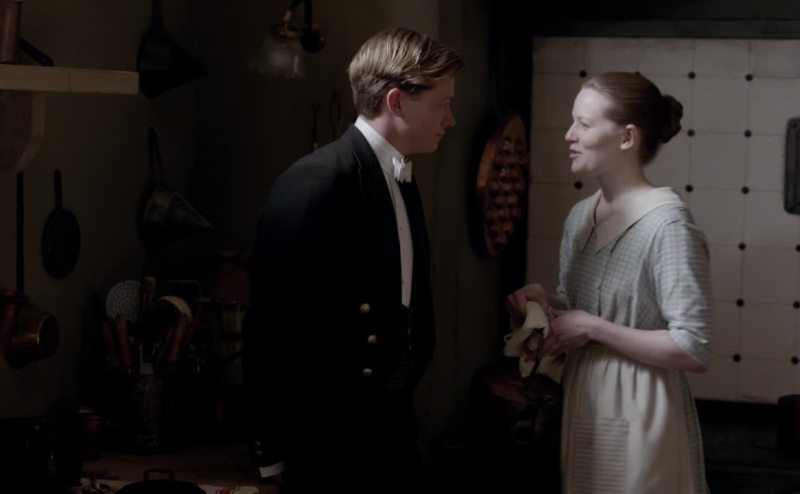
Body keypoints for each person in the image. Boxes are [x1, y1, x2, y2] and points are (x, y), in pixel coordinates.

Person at [243, 27, 463, 494]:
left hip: (390, 430)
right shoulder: (317, 182)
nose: (451, 119)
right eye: (442, 104)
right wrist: (272, 450)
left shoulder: (401, 176)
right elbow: (270, 325)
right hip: (326, 441)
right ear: (397, 102)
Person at [507, 72, 712, 493]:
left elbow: (694, 346)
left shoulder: (667, 225)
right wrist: (547, 304)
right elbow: (581, 309)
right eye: (572, 121)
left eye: (584, 124)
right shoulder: (581, 217)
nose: (569, 135)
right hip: (584, 397)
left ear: (627, 138)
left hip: (642, 404)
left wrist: (594, 328)